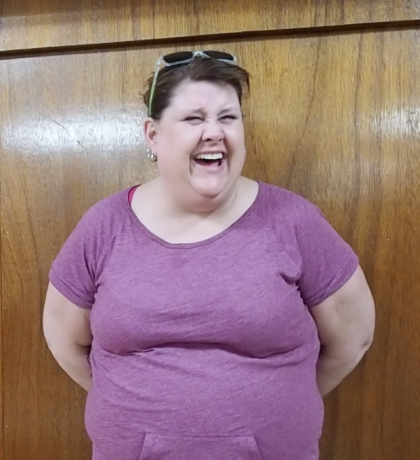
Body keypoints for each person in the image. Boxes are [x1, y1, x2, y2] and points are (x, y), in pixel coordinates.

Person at [43, 50, 375, 460]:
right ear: (153, 134)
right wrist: (130, 401)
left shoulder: (293, 221)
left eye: (228, 117)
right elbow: (63, 337)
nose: (214, 132)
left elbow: (354, 334)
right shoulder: (104, 226)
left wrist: (283, 398)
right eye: (194, 118)